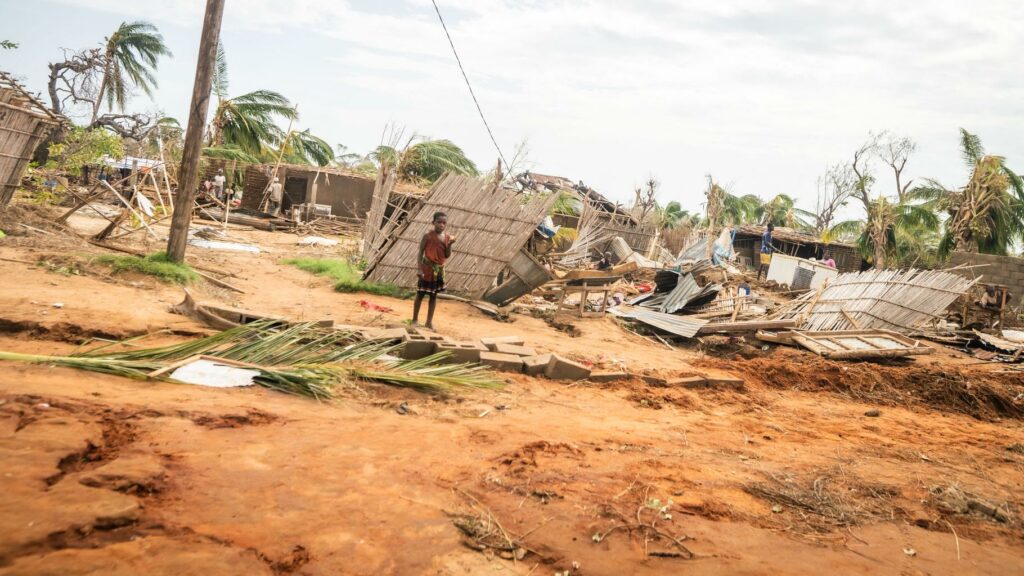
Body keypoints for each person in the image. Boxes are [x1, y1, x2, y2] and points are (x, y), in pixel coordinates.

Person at [413, 212, 456, 330]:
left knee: (433, 296)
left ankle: (429, 322)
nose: (441, 225)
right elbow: (420, 252)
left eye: (444, 223)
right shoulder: (428, 235)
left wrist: (450, 244)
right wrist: (419, 268)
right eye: (439, 222)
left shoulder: (447, 238)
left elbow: (447, 255)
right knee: (420, 294)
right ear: (433, 223)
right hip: (426, 269)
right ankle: (415, 320)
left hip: (438, 271)